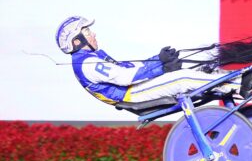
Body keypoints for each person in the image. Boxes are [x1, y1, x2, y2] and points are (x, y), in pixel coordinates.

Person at [56, 16, 238, 104]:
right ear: (77, 41)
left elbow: (129, 67)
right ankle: (238, 83)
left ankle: (235, 80)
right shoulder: (88, 63)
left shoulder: (94, 57)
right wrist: (163, 68)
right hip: (131, 94)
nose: (93, 34)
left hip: (133, 89)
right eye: (87, 32)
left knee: (196, 67)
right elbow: (125, 77)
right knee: (183, 79)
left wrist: (159, 60)